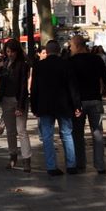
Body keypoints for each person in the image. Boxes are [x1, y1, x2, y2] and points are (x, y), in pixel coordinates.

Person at [30, 40, 80, 176]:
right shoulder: (66, 64)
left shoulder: (39, 66)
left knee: (47, 136)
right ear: (58, 50)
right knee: (67, 134)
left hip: (45, 105)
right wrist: (77, 105)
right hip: (64, 105)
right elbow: (72, 86)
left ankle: (51, 167)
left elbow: (34, 88)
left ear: (47, 50)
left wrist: (34, 106)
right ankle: (71, 165)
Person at [67, 35, 106, 174]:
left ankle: (80, 163)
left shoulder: (71, 62)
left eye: (71, 46)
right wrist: (104, 90)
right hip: (95, 100)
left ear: (77, 46)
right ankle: (100, 165)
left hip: (78, 102)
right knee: (97, 133)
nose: (70, 48)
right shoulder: (96, 59)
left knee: (77, 134)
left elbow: (70, 84)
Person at [0, 40, 33, 171]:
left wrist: (20, 106)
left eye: (12, 51)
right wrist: (0, 70)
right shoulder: (4, 64)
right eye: (8, 51)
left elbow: (24, 86)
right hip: (6, 100)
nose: (10, 54)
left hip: (19, 100)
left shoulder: (23, 65)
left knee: (22, 130)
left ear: (17, 52)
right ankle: (13, 156)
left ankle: (26, 159)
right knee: (11, 131)